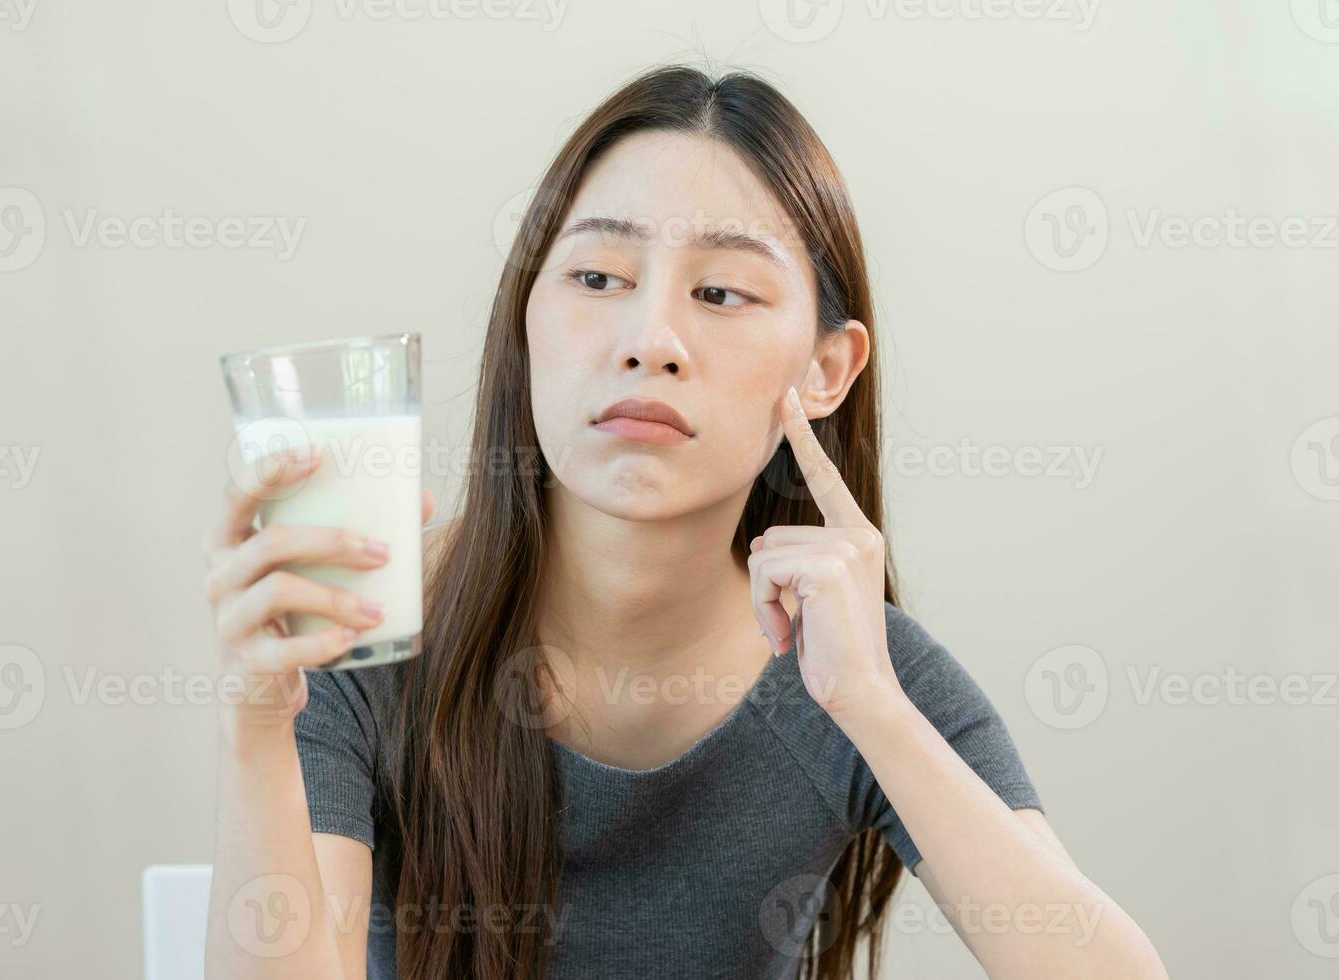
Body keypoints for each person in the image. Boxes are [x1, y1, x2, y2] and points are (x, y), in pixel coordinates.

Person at [201, 63, 1168, 980]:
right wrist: (258, 729)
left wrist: (869, 704)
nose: (650, 341)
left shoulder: (855, 662)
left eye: (719, 293)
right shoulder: (367, 632)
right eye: (597, 279)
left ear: (825, 369)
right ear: (525, 317)